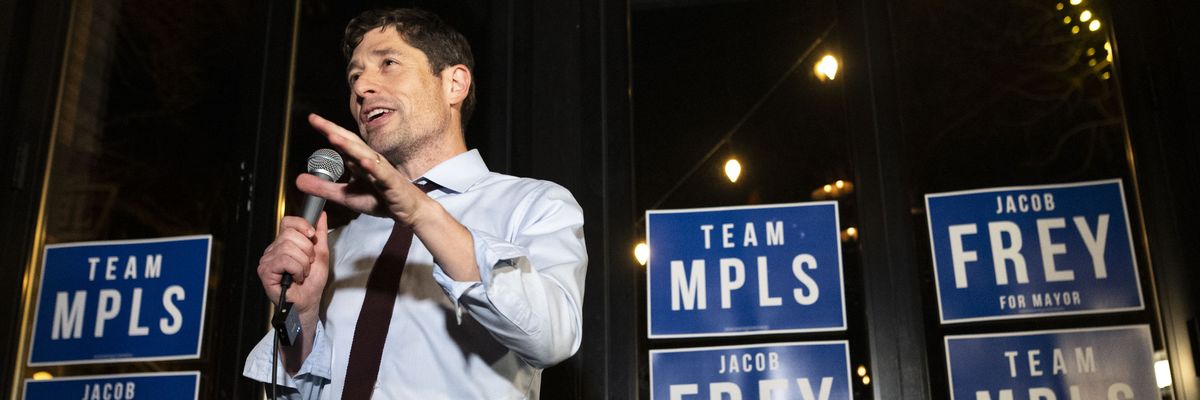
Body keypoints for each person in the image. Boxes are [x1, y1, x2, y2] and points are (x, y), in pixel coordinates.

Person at [242, 7, 587, 399]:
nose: (361, 88)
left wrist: (421, 211)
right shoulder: (333, 246)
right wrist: (302, 314)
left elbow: (553, 338)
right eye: (354, 76)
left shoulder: (535, 204)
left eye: (388, 63)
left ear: (454, 83)